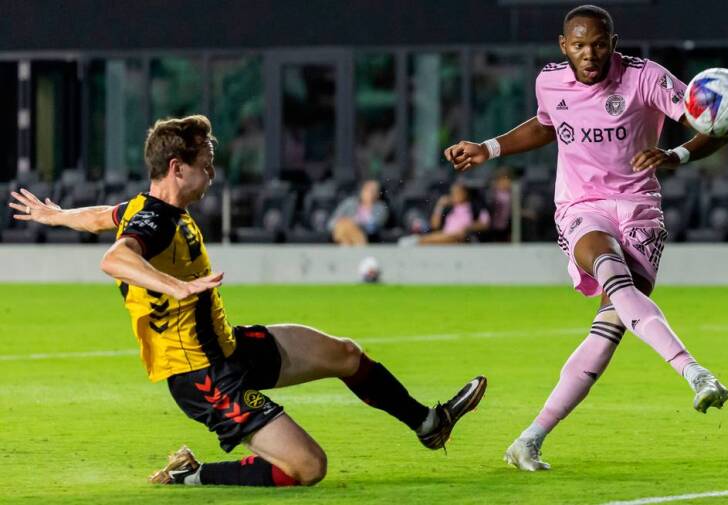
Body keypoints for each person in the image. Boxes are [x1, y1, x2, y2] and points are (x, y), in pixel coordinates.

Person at [9, 115, 487, 487]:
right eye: (205, 164)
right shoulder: (155, 221)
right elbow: (116, 257)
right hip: (203, 376)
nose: (212, 173)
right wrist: (175, 286)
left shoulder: (143, 208)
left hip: (229, 347)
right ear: (177, 168)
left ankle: (428, 423)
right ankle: (192, 474)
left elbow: (102, 218)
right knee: (308, 467)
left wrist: (56, 216)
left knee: (345, 353)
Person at [443, 5, 728, 472]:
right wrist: (489, 148)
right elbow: (545, 124)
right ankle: (694, 371)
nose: (589, 54)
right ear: (564, 46)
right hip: (581, 208)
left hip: (640, 209)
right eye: (579, 45)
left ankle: (530, 439)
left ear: (613, 43)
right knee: (612, 275)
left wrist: (676, 154)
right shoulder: (550, 80)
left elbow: (713, 124)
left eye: (598, 44)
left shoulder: (647, 78)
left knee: (608, 331)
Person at [400, 182, 490, 246]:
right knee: (443, 236)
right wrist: (439, 206)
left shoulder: (475, 206)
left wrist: (467, 227)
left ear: (465, 193)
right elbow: (435, 225)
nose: (454, 195)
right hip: (446, 235)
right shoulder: (449, 208)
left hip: (464, 237)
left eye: (457, 193)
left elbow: (485, 224)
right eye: (452, 193)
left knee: (455, 236)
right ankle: (420, 240)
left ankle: (419, 240)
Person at [327, 179, 389, 245]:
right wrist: (346, 223)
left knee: (347, 226)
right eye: (367, 190)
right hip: (344, 231)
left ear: (378, 194)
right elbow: (331, 223)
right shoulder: (349, 203)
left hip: (365, 234)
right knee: (343, 226)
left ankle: (346, 245)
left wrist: (355, 223)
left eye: (373, 191)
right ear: (361, 191)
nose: (370, 193)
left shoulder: (381, 207)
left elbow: (375, 226)